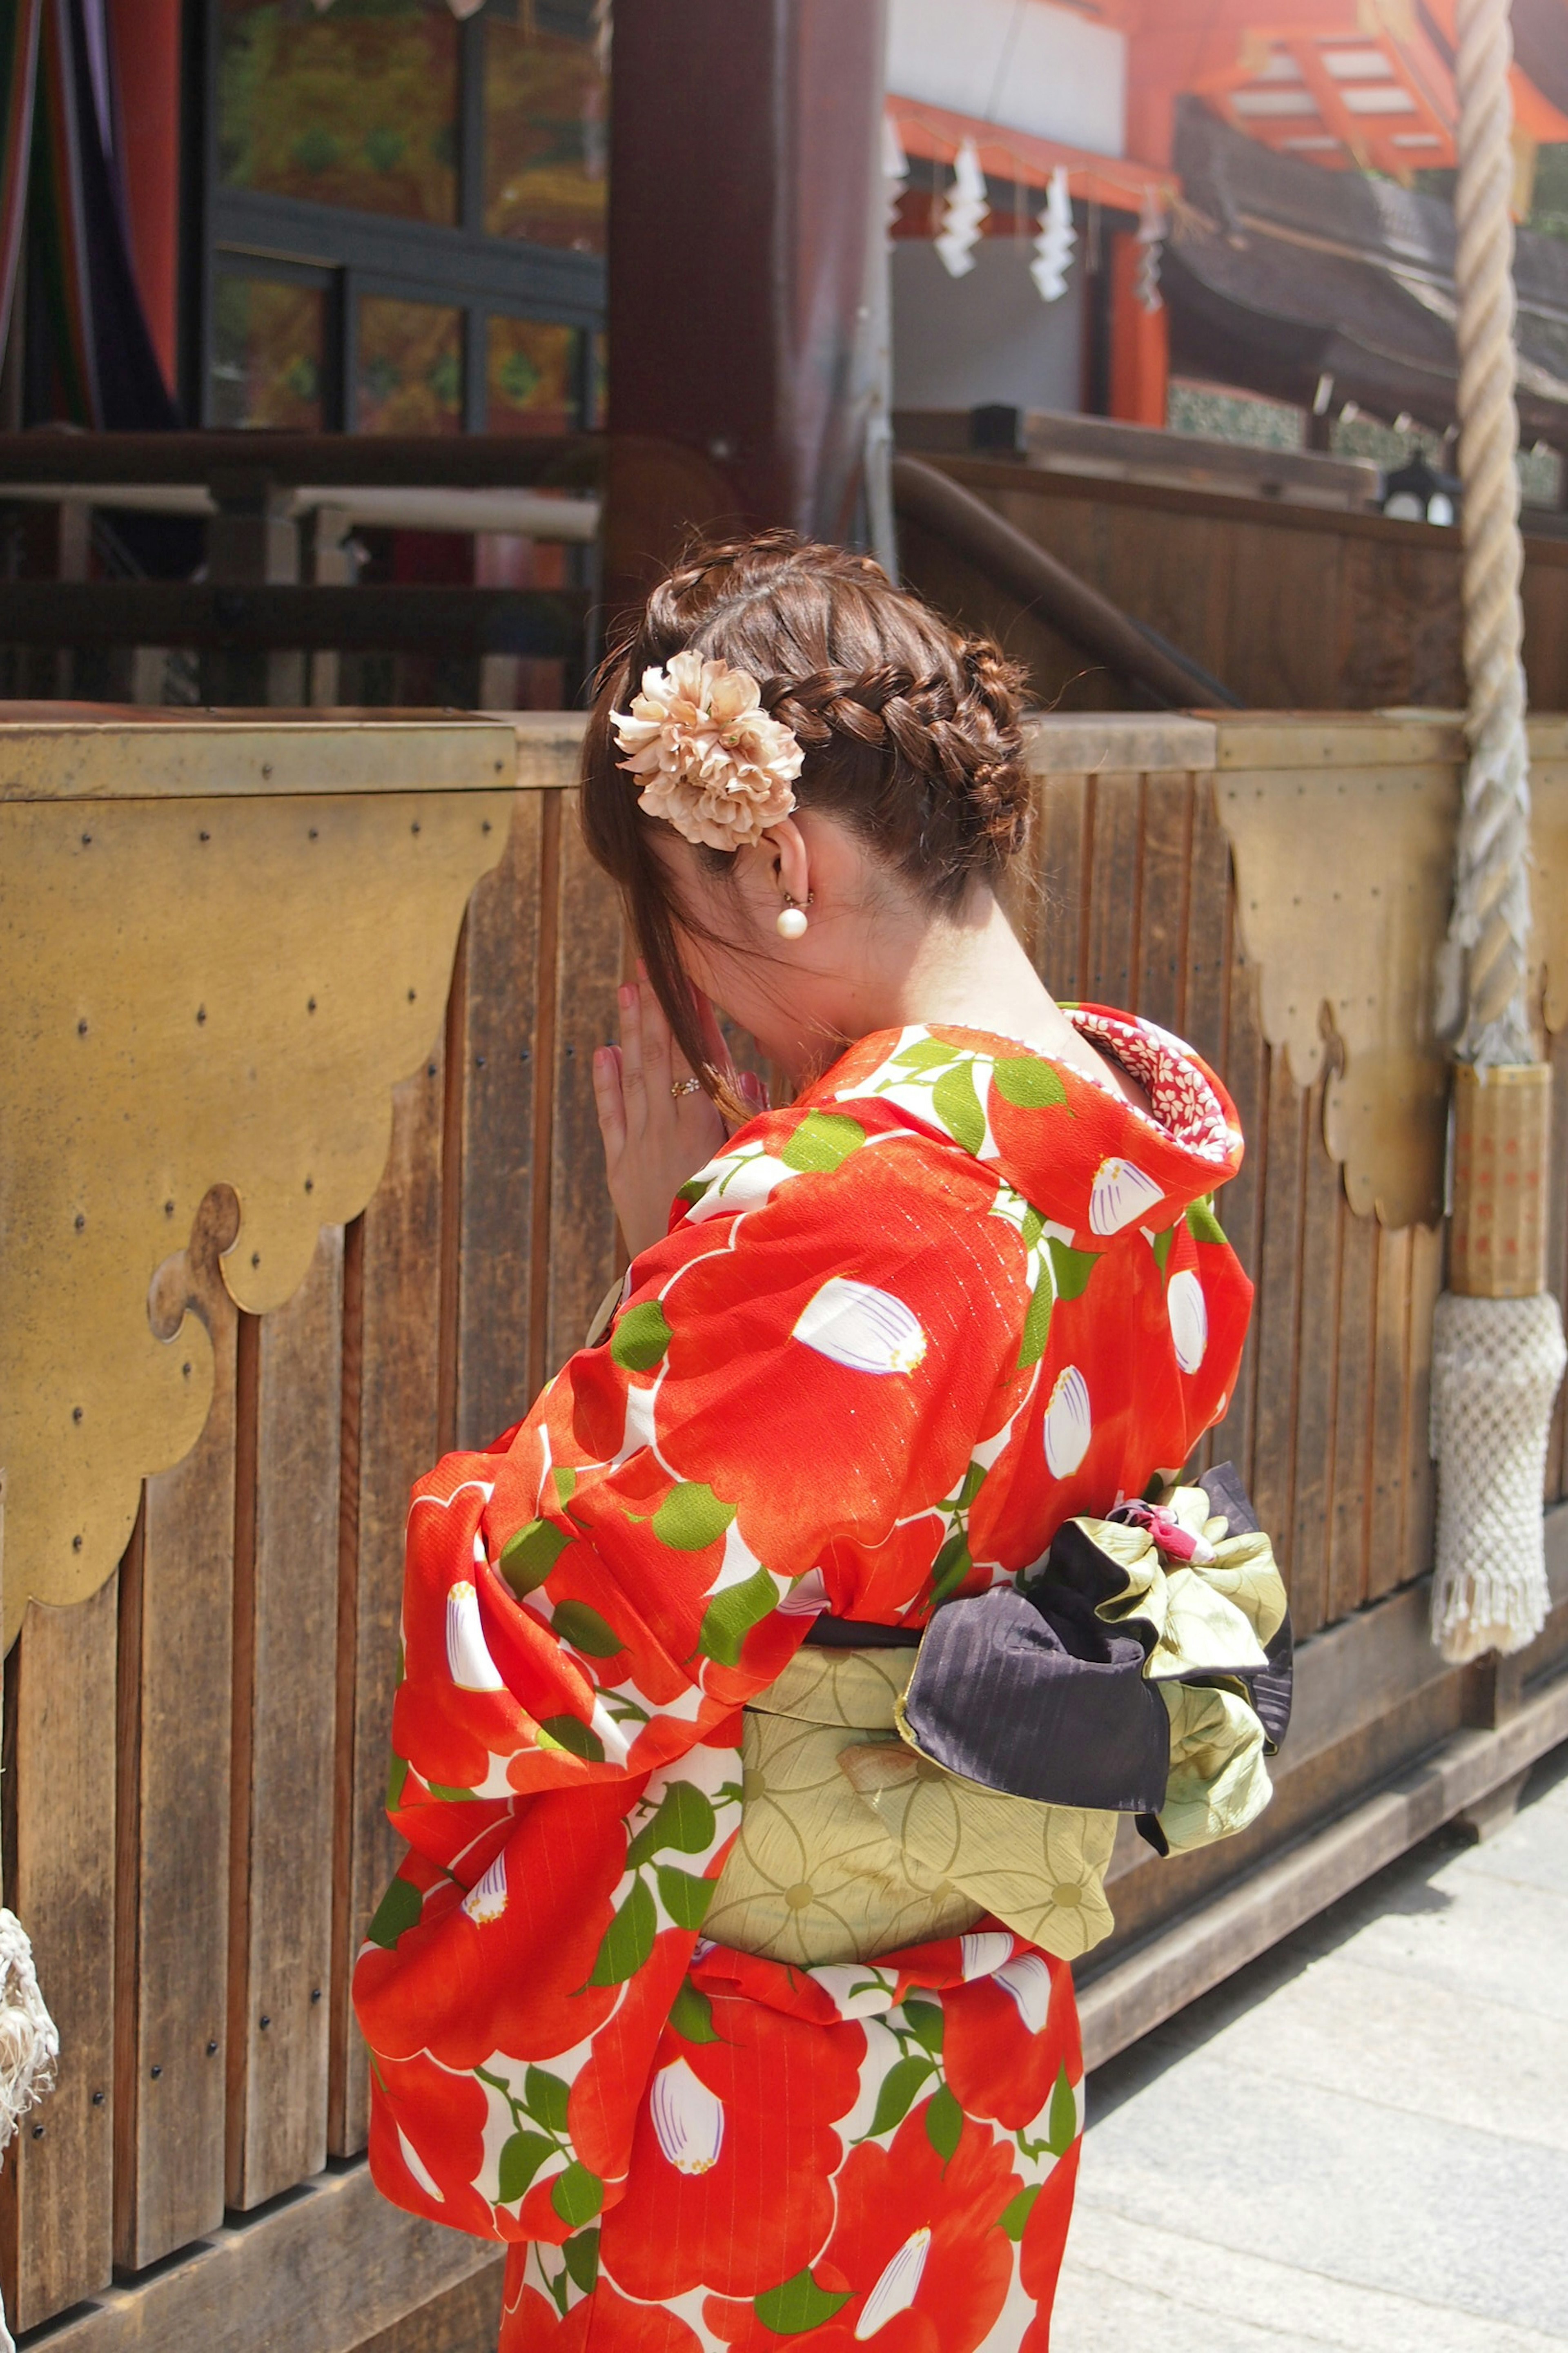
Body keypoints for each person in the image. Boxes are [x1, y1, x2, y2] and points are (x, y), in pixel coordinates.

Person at [354, 533, 1281, 2352]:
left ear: (779, 858)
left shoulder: (855, 1201)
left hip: (769, 2071)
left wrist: (696, 1282)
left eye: (693, 924)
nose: (713, 1010)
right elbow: (907, 1489)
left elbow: (571, 1637)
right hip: (990, 2026)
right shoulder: (1139, 1154)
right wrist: (696, 1263)